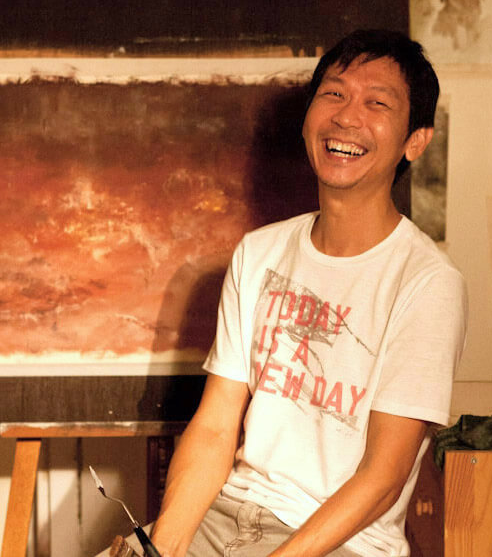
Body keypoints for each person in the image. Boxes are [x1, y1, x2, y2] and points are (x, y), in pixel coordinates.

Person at [103, 29, 467, 557]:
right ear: (308, 116)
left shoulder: (428, 282)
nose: (347, 117)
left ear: (416, 140)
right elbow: (215, 428)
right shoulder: (260, 253)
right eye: (334, 93)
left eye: (377, 103)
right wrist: (164, 547)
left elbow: (383, 478)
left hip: (339, 543)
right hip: (224, 516)